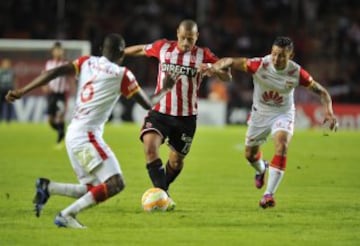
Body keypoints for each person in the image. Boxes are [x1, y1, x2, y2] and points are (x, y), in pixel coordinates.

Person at [6, 33, 176, 228]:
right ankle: (67, 215)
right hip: (87, 136)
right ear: (122, 53)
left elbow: (55, 72)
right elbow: (147, 104)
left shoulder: (86, 62)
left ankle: (48, 187)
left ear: (102, 50)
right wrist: (166, 89)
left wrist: (22, 91)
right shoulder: (122, 74)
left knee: (94, 188)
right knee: (116, 183)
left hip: (73, 134)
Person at [205, 36, 338, 209]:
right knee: (250, 155)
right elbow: (230, 61)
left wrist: (329, 110)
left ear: (290, 55)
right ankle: (261, 169)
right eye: (274, 54)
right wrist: (214, 67)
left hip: (283, 114)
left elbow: (322, 92)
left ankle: (268, 194)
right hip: (260, 115)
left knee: (282, 145)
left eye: (282, 55)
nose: (276, 58)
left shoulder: (297, 72)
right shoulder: (260, 65)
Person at [124, 19, 231, 206]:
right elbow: (142, 49)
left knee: (175, 162)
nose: (186, 43)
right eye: (183, 38)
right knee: (150, 147)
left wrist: (213, 69)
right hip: (159, 112)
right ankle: (162, 195)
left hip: (186, 118)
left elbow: (227, 75)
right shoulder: (163, 47)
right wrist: (119, 53)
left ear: (197, 37)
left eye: (190, 39)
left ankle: (162, 191)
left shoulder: (203, 54)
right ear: (177, 34)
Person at [43, 41, 71, 146]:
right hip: (51, 94)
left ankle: (60, 140)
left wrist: (72, 89)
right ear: (53, 52)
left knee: (60, 116)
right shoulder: (49, 64)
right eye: (56, 50)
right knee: (50, 120)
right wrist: (45, 86)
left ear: (63, 52)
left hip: (62, 94)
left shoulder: (66, 64)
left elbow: (71, 79)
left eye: (60, 50)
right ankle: (62, 133)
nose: (58, 52)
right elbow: (44, 77)